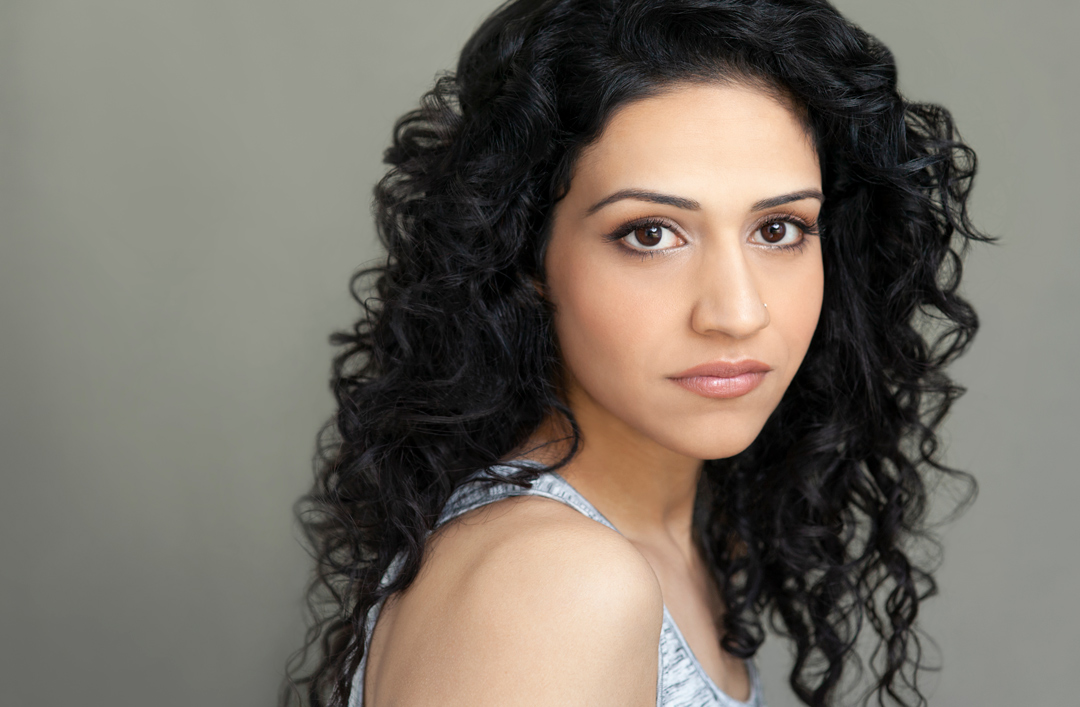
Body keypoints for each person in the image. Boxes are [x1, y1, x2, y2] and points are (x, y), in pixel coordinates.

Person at [282, 1, 991, 705]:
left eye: (778, 229)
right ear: (526, 254)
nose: (738, 312)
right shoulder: (554, 581)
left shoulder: (677, 534)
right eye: (651, 234)